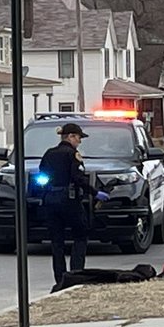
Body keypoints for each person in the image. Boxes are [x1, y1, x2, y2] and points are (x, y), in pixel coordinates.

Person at [38, 122, 109, 289]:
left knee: (57, 242)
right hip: (69, 200)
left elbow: (42, 176)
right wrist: (94, 192)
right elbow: (78, 178)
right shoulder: (73, 154)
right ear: (70, 137)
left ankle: (60, 278)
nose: (80, 141)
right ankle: (76, 275)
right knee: (80, 235)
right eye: (78, 137)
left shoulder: (49, 154)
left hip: (50, 200)